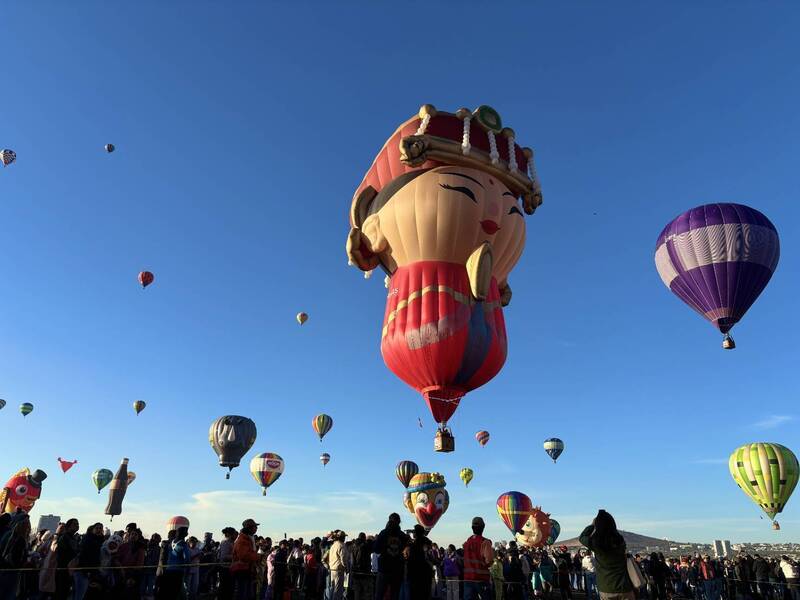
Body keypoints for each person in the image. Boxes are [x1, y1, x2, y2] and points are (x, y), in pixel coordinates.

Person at [578, 510, 633, 600]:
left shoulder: (597, 544)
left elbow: (582, 537)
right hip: (624, 586)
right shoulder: (620, 541)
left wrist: (592, 525)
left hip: (606, 588)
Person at [374, 513, 411, 600]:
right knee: (395, 595)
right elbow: (408, 548)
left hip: (384, 568)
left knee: (379, 595)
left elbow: (376, 549)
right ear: (399, 522)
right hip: (397, 569)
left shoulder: (383, 533)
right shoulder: (402, 535)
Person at [0, 513, 31, 600]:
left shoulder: (8, 534)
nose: (28, 526)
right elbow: (15, 559)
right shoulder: (18, 538)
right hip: (10, 572)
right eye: (26, 524)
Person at [463, 516, 494, 600]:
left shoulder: (467, 542)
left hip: (468, 579)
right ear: (483, 527)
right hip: (481, 579)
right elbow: (489, 561)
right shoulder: (485, 542)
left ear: (472, 528)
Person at [157, 526, 191, 600]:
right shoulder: (183, 545)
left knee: (165, 591)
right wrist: (187, 570)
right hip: (177, 572)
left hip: (168, 570)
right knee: (174, 593)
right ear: (185, 534)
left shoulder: (170, 543)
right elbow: (187, 559)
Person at [72, 523, 104, 600]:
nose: (99, 530)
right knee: (79, 595)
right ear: (92, 529)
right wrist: (88, 570)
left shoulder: (99, 540)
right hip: (83, 570)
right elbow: (85, 555)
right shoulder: (87, 539)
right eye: (97, 528)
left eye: (100, 528)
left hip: (89, 571)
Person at [231, 519, 261, 600]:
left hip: (247, 570)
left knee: (247, 593)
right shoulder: (242, 540)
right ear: (249, 528)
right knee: (243, 594)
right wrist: (259, 556)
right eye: (255, 526)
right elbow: (244, 556)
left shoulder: (248, 538)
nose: (256, 528)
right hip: (242, 571)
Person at [54, 518, 80, 600]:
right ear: (68, 527)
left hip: (69, 570)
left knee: (65, 593)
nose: (77, 525)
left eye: (77, 524)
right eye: (74, 524)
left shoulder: (72, 538)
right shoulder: (64, 537)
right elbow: (61, 555)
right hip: (63, 570)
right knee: (61, 593)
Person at [407, 525, 433, 600]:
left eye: (414, 531)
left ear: (417, 532)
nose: (413, 533)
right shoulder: (425, 542)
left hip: (416, 573)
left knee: (416, 594)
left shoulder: (415, 544)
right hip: (424, 572)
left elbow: (412, 559)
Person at [351, 532, 374, 600]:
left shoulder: (353, 546)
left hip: (355, 572)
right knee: (366, 592)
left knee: (357, 592)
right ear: (364, 538)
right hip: (364, 572)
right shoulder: (364, 546)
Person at [325, 530, 347, 600]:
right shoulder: (342, 545)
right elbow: (343, 559)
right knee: (338, 590)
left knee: (333, 588)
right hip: (339, 570)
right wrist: (346, 567)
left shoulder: (333, 545)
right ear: (342, 537)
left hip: (332, 570)